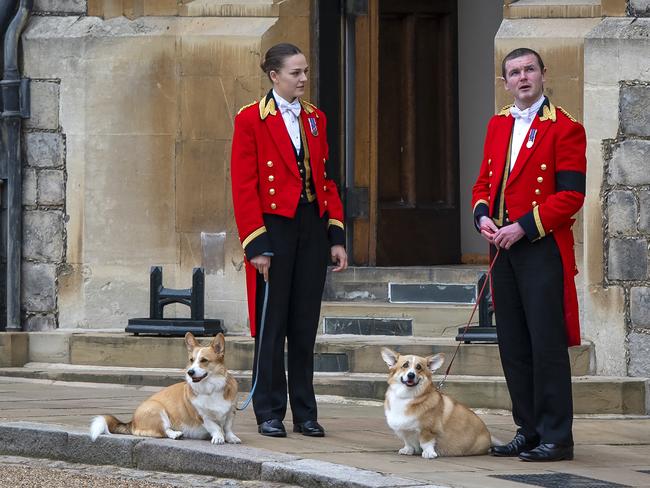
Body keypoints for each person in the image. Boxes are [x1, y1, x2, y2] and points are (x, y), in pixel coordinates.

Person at [471, 48, 586, 462]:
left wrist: (523, 225)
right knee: (513, 344)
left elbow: (572, 195)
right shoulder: (498, 123)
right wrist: (483, 216)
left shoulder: (566, 128)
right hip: (502, 248)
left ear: (543, 74)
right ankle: (529, 429)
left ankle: (557, 436)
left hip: (539, 247)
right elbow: (484, 182)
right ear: (505, 82)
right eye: (514, 72)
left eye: (529, 70)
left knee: (545, 344)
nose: (522, 78)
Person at [230, 43, 348, 438]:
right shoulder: (251, 118)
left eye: (305, 71)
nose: (303, 79)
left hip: (311, 227)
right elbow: (244, 187)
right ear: (274, 76)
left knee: (303, 325)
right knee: (271, 324)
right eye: (296, 72)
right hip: (273, 230)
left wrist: (335, 235)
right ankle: (268, 410)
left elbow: (326, 180)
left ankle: (306, 412)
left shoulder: (315, 118)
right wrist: (256, 245)